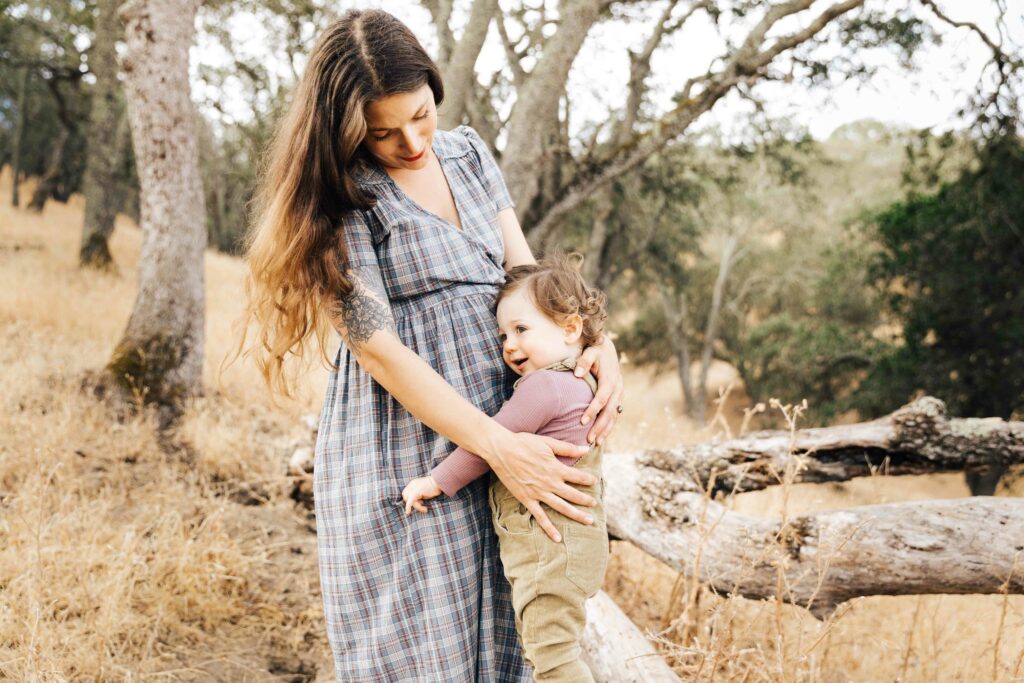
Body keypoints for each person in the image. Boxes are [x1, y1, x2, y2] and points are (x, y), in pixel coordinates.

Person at [239, 9, 625, 680]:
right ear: (349, 129)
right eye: (383, 132)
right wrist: (497, 445)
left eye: (421, 114)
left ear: (434, 87)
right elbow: (378, 349)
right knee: (423, 654)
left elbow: (530, 280)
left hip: (506, 430)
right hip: (408, 440)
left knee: (515, 637)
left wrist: (597, 342)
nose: (412, 142)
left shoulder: (470, 153)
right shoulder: (341, 194)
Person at [402, 256, 610, 682]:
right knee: (554, 652)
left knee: (553, 660)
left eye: (521, 330)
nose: (509, 345)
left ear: (570, 328)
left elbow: (488, 443)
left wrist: (435, 481)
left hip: (549, 554)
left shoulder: (544, 387)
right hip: (569, 549)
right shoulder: (579, 382)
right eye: (502, 335)